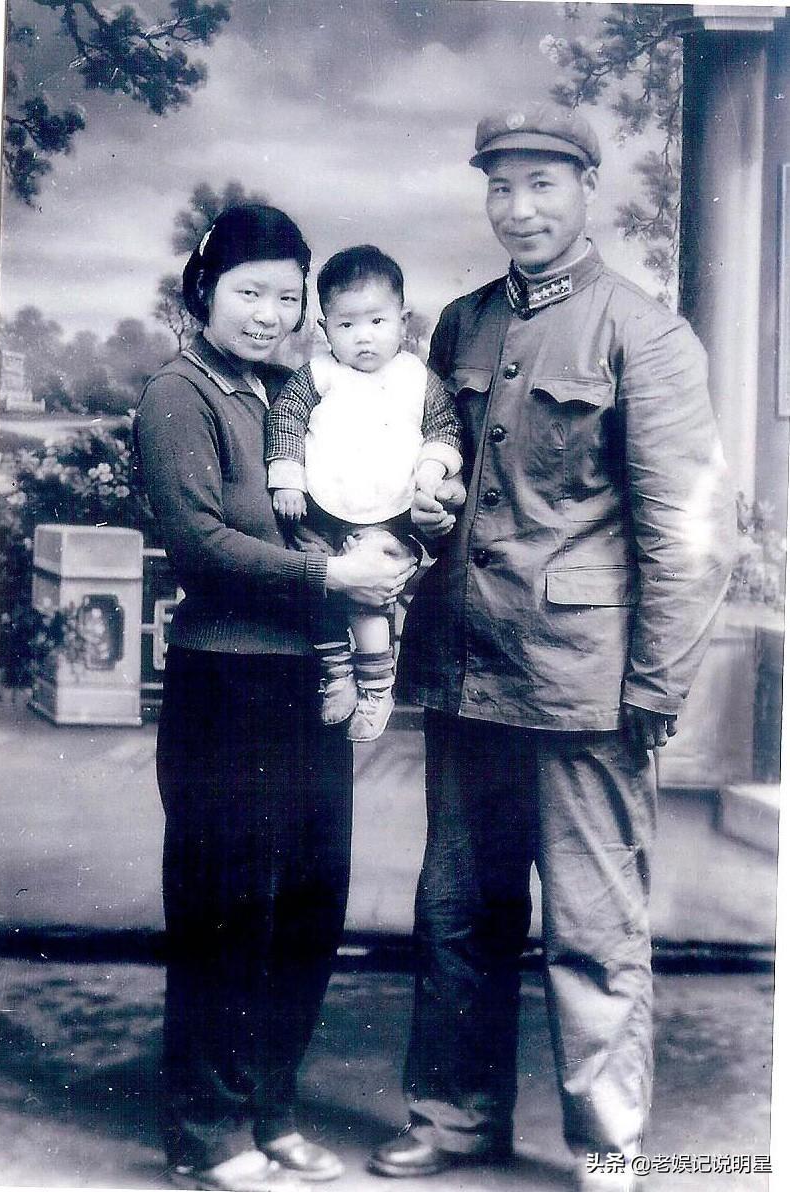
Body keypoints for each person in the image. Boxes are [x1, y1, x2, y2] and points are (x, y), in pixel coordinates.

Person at [368, 103, 736, 1192]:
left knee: (592, 924)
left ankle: (608, 1142)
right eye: (500, 186)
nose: (518, 209)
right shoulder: (462, 324)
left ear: (586, 191)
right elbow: (440, 478)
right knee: (456, 912)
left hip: (587, 682)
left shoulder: (644, 333)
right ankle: (453, 1119)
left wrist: (657, 680)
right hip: (467, 670)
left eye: (541, 184)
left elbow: (690, 532)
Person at [134, 205, 417, 1192]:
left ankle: (270, 1111)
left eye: (288, 296)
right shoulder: (179, 395)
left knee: (306, 905)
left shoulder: (285, 394)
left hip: (307, 682)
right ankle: (207, 1133)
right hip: (226, 685)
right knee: (225, 910)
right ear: (203, 290)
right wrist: (334, 576)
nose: (270, 313)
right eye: (249, 291)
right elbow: (201, 546)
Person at [265, 245, 463, 743]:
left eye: (377, 321)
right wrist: (288, 477)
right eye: (347, 325)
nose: (364, 336)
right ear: (325, 328)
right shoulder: (317, 375)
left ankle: (377, 686)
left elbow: (445, 426)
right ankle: (336, 672)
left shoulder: (416, 377)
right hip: (323, 508)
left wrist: (432, 469)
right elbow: (286, 419)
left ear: (403, 321)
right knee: (316, 579)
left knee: (369, 594)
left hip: (389, 512)